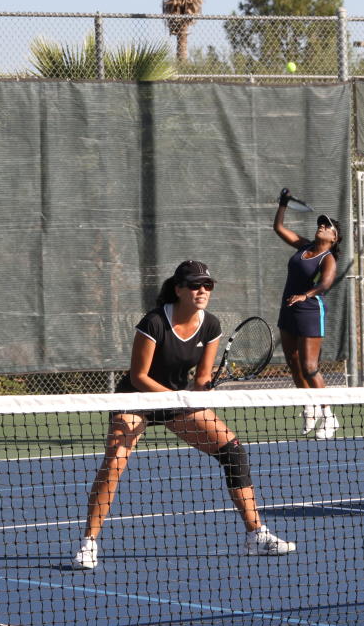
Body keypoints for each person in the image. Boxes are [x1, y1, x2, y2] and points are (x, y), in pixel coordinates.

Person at [71, 260, 295, 570]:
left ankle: (256, 535)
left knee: (233, 451)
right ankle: (88, 544)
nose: (202, 290)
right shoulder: (154, 322)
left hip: (176, 399)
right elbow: (138, 377)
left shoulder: (211, 325)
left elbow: (202, 378)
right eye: (194, 285)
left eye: (207, 285)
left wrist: (202, 390)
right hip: (136, 399)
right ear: (178, 290)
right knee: (114, 462)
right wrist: (177, 398)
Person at [274, 189, 341, 440]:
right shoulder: (304, 246)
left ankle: (329, 416)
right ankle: (309, 405)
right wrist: (283, 204)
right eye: (321, 223)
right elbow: (279, 228)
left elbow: (325, 283)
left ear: (334, 237)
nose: (322, 226)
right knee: (293, 364)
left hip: (310, 311)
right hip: (288, 309)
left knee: (310, 367)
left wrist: (305, 295)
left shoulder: (328, 258)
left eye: (327, 226)